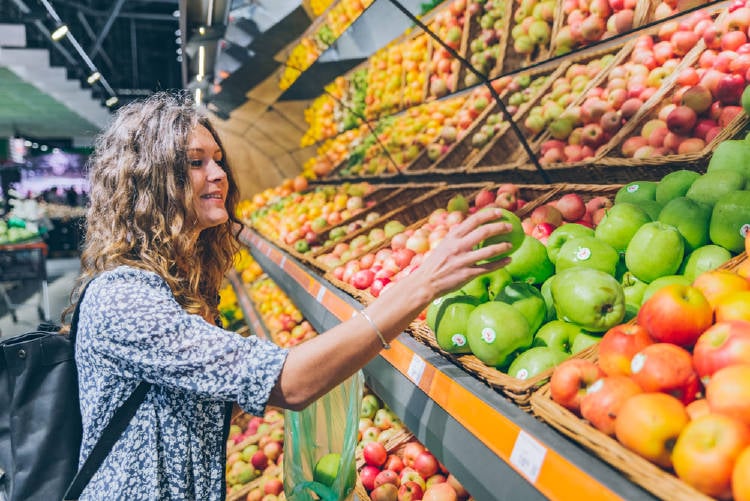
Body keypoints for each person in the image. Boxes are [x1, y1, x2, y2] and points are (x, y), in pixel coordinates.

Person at [65, 92, 514, 500]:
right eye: (195, 162)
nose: (219, 174)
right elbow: (289, 383)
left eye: (218, 159)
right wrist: (422, 284)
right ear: (148, 183)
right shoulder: (123, 300)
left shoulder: (180, 286)